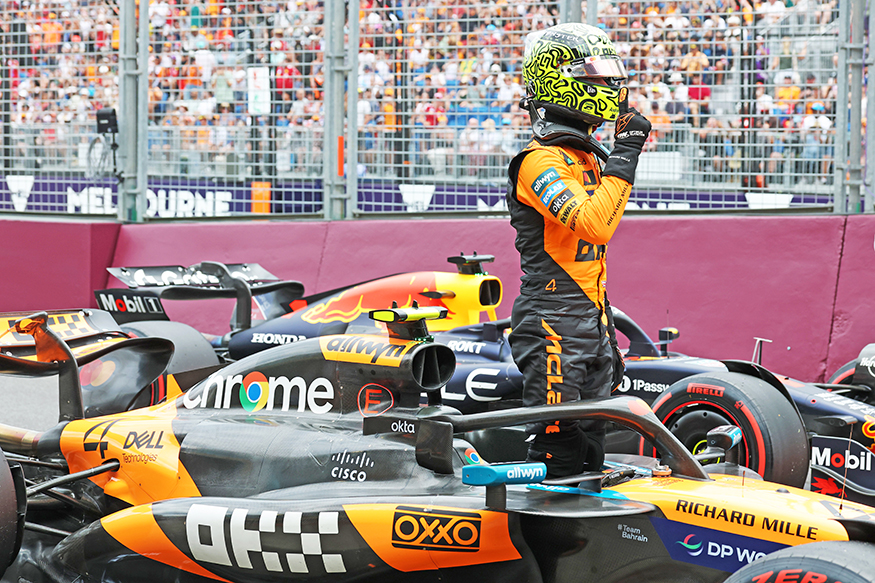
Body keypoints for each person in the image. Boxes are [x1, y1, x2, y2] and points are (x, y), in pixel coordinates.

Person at [506, 23, 651, 478]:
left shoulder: (586, 153)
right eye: (593, 76)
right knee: (559, 456)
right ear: (558, 80)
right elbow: (594, 225)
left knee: (592, 452)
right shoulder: (538, 160)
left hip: (591, 318)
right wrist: (626, 151)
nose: (607, 86)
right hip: (552, 320)